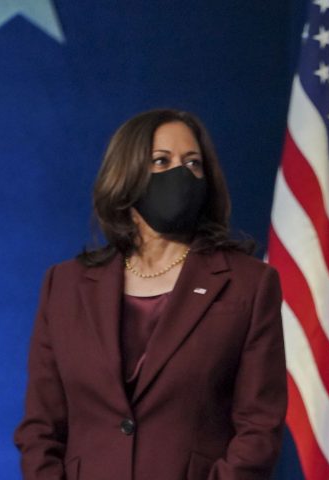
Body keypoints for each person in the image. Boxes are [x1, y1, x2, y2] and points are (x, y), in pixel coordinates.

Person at [14, 110, 287, 479]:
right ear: (125, 175)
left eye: (193, 163)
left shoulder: (248, 283)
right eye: (161, 161)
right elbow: (40, 428)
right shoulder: (64, 285)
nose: (181, 174)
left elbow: (259, 427)